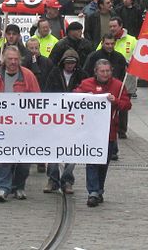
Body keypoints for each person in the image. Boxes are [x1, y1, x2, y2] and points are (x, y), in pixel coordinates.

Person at [0, 45, 41, 201]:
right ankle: (2, 187)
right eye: (10, 59)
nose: (12, 62)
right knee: (4, 157)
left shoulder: (28, 76)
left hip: (24, 125)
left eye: (15, 59)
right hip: (3, 124)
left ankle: (19, 186)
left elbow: (37, 99)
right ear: (4, 59)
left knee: (23, 160)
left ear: (20, 60)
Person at [77, 59, 131, 207]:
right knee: (92, 161)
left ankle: (99, 189)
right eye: (102, 71)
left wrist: (116, 102)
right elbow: (73, 98)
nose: (105, 74)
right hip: (91, 131)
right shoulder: (86, 84)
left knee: (103, 163)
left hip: (109, 132)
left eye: (108, 71)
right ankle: (93, 191)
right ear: (96, 71)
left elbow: (127, 105)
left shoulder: (118, 86)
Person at [43, 49, 85, 194]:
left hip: (75, 119)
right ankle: (53, 179)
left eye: (73, 63)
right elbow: (47, 93)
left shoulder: (81, 75)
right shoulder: (54, 73)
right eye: (67, 63)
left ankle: (67, 180)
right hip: (56, 118)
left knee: (72, 151)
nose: (70, 66)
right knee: (53, 149)